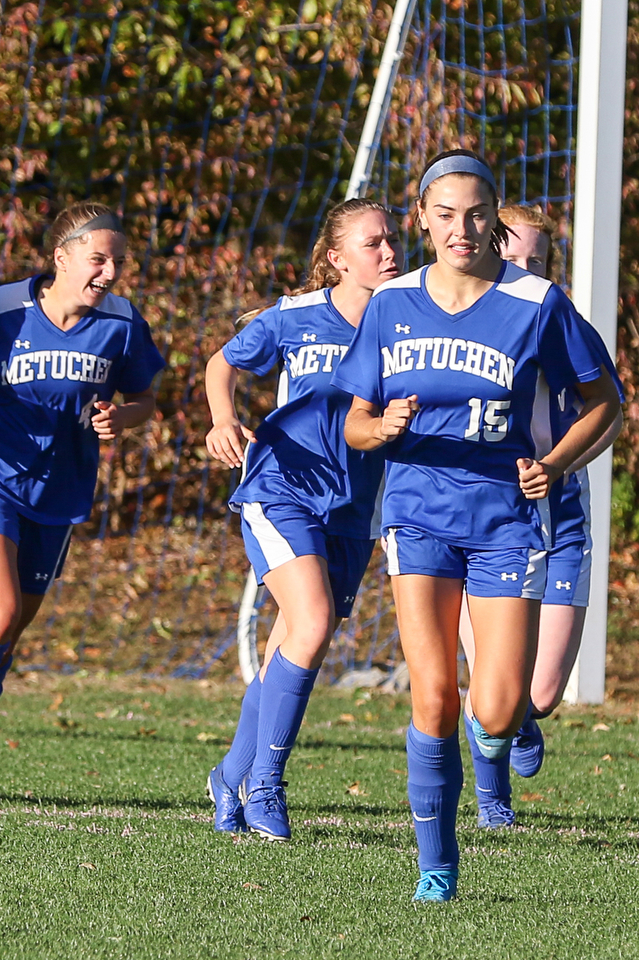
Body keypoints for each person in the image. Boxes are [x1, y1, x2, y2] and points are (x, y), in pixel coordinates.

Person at [332, 150, 622, 901]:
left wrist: (554, 462)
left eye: (476, 214)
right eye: (445, 215)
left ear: (495, 219)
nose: (461, 228)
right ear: (422, 219)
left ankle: (499, 738)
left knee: (497, 707)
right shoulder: (391, 302)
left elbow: (605, 403)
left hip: (505, 521)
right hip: (418, 516)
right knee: (433, 696)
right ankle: (436, 865)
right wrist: (382, 428)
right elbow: (355, 421)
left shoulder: (536, 301)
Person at [0, 202, 164, 800]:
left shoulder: (123, 323)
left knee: (6, 635)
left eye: (118, 262)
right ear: (61, 257)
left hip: (60, 490)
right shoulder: (3, 307)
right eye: (98, 259)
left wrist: (122, 417)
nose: (109, 272)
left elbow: (144, 398)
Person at [204, 198, 403, 840]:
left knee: (294, 643)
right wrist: (223, 418)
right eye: (373, 243)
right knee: (312, 623)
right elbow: (222, 363)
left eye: (392, 239)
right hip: (282, 488)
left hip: (355, 508)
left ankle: (229, 776)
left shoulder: (411, 321)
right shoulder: (295, 315)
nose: (389, 252)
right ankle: (265, 784)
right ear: (337, 259)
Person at [457, 204, 623, 828]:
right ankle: (493, 799)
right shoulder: (457, 320)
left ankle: (520, 721)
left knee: (541, 693)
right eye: (514, 256)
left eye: (538, 260)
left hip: (562, 518)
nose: (525, 269)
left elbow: (607, 412)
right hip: (483, 521)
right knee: (491, 680)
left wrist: (555, 464)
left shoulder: (562, 321)